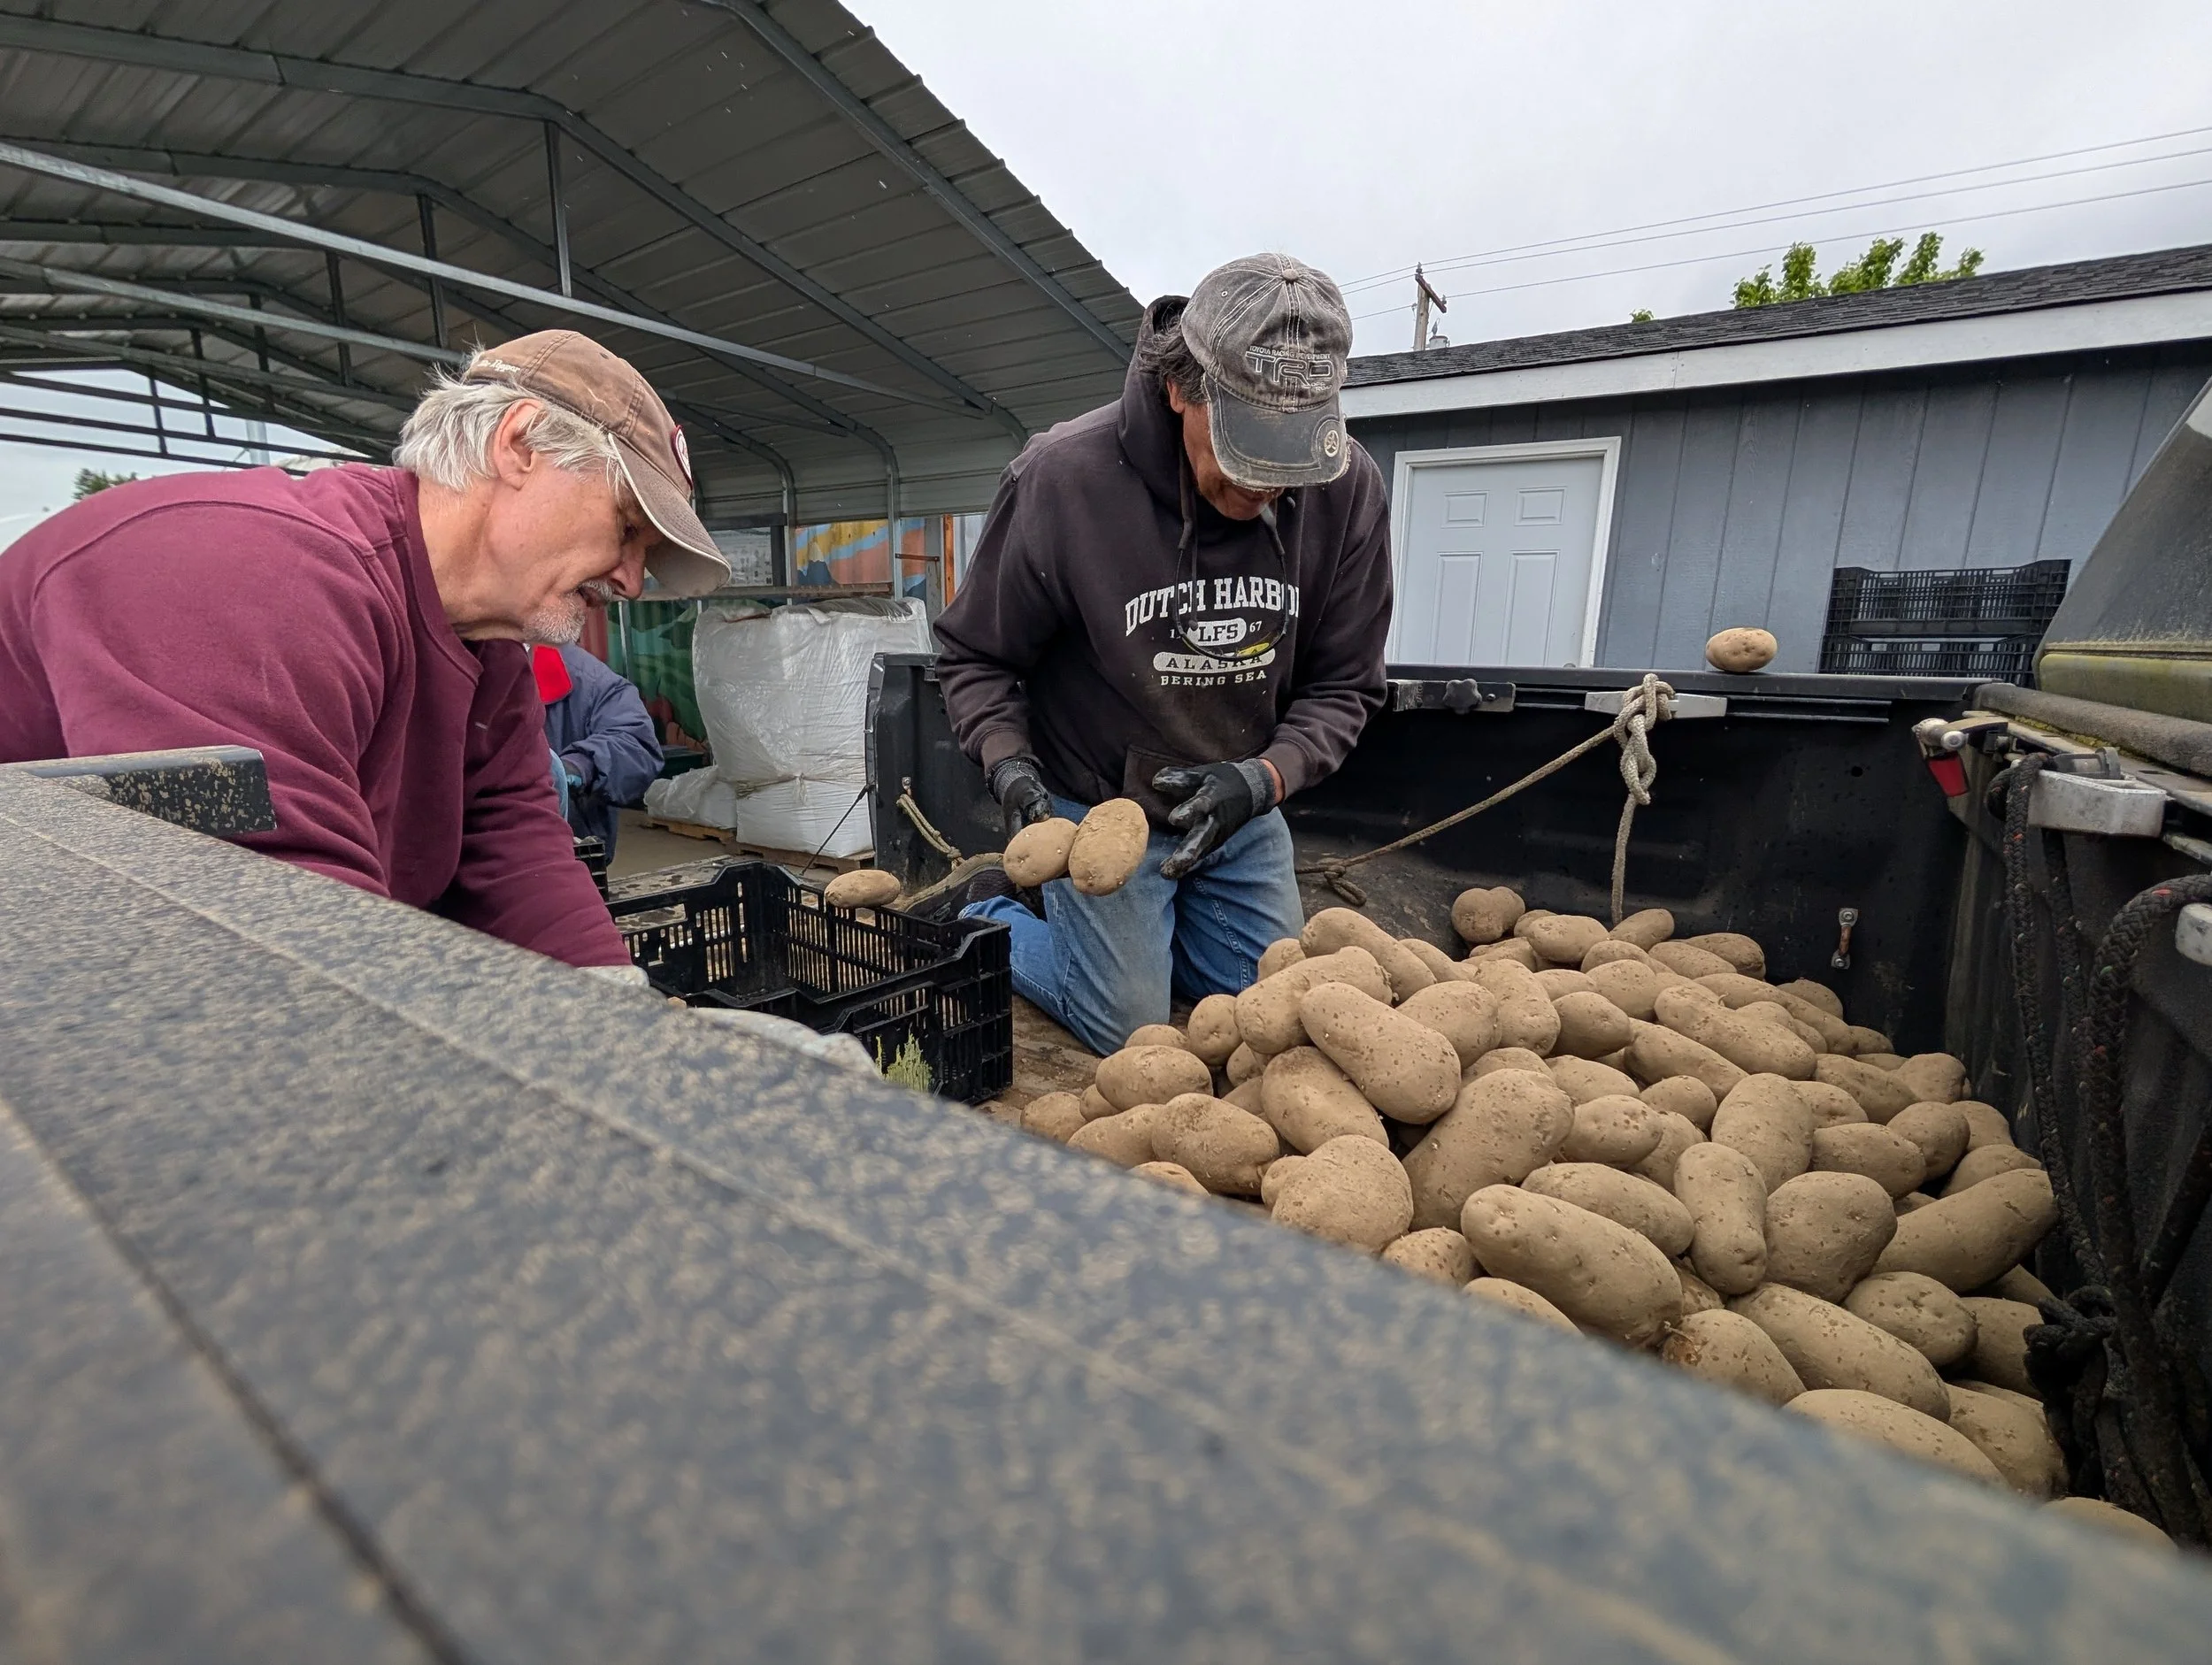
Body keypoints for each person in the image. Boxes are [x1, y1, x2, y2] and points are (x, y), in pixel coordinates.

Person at [0, 329, 728, 970]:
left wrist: (617, 1005)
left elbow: (511, 836)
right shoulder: (253, 573)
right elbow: (270, 917)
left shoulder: (489, 651)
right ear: (520, 446)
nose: (632, 580)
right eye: (627, 528)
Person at [932, 253, 1392, 1055]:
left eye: (1291, 456)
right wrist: (1008, 762)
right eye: (1251, 448)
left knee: (1271, 1010)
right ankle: (989, 909)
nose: (1269, 487)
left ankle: (1146, 930)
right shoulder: (1064, 478)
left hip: (1237, 800)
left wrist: (1263, 779)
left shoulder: (1346, 488)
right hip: (1098, 802)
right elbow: (974, 655)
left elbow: (1346, 685)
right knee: (1128, 1027)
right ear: (1182, 389)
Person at [535, 642, 664, 857]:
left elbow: (637, 743)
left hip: (569, 848)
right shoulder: (475, 676)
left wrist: (580, 765)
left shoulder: (587, 678)